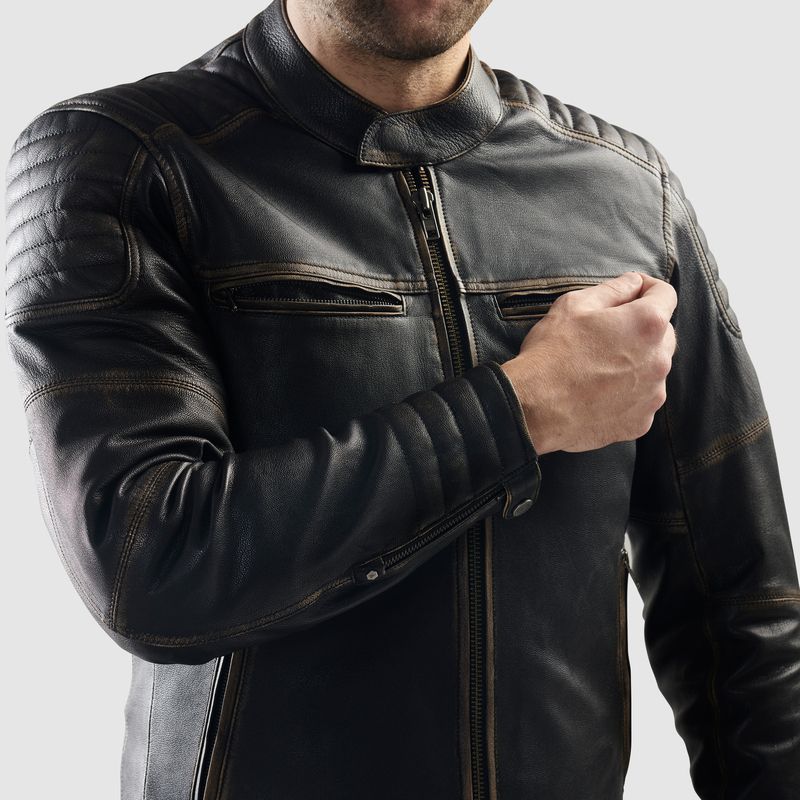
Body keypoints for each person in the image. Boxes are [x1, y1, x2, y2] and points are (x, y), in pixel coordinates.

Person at [4, 0, 798, 797]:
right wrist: (519, 410)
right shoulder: (125, 159)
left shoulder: (628, 190)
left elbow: (743, 607)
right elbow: (149, 565)